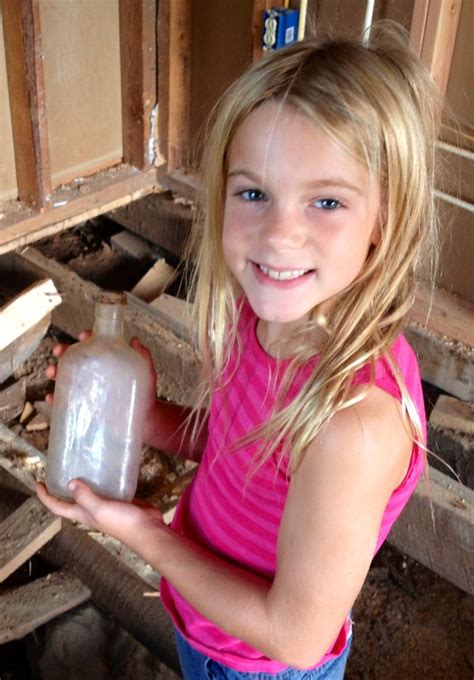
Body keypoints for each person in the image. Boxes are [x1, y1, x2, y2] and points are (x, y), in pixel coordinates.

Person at [37, 23, 440, 679]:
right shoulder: (264, 319)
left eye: (328, 201)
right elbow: (236, 450)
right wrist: (142, 417)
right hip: (206, 620)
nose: (279, 235)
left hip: (260, 666)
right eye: (253, 192)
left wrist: (142, 533)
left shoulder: (355, 424)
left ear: (386, 220)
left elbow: (295, 636)